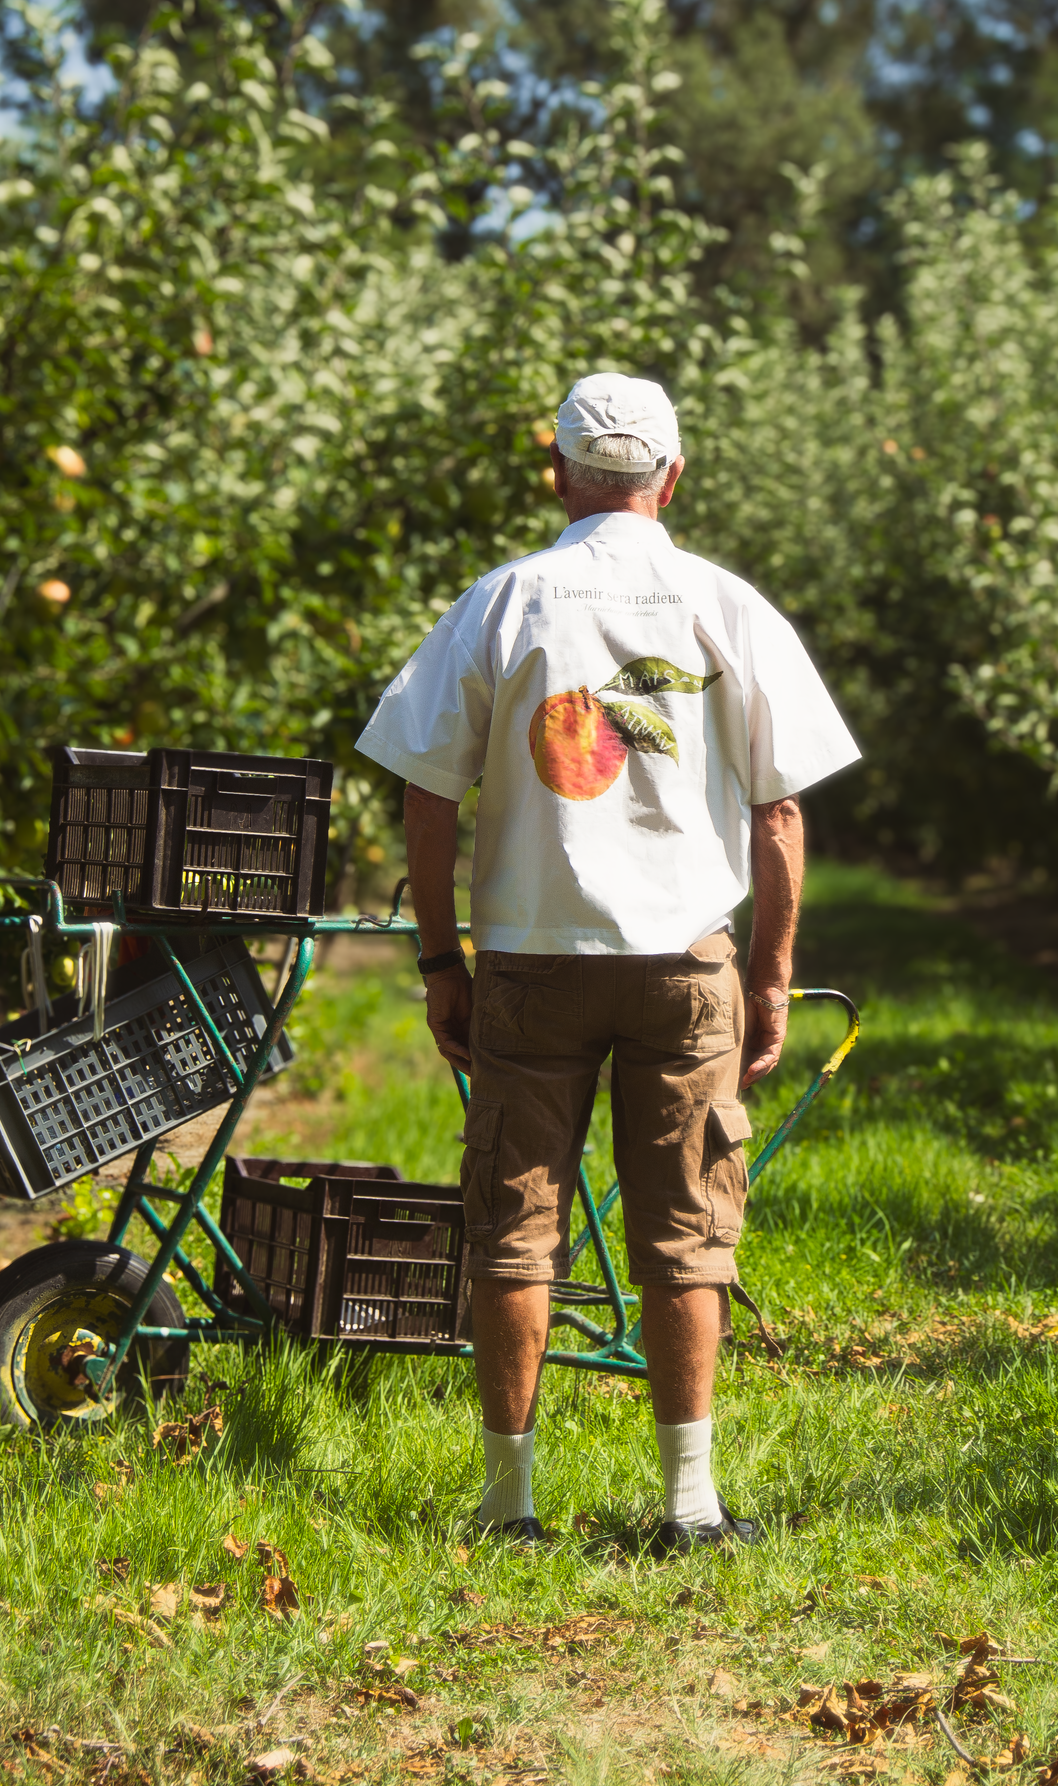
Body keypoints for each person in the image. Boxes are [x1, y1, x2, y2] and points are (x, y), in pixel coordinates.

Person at [356, 372, 859, 1553]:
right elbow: (779, 818)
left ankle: (507, 1507)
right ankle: (688, 1507)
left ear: (556, 472)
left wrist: (442, 957)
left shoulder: (503, 599)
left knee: (515, 1225)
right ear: (672, 476)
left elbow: (427, 791)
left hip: (532, 958)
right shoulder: (723, 605)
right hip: (686, 965)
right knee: (686, 1225)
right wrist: (769, 976)